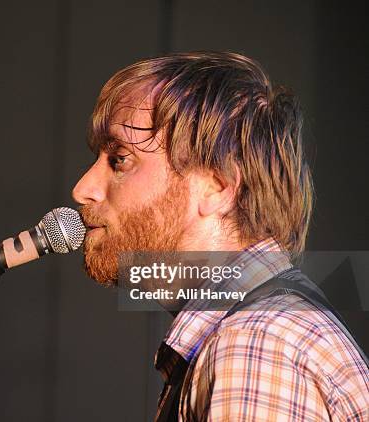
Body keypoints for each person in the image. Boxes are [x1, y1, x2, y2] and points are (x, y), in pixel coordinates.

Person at [72, 52, 369, 421]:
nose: (83, 189)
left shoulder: (256, 343)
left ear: (216, 186)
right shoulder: (259, 329)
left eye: (120, 159)